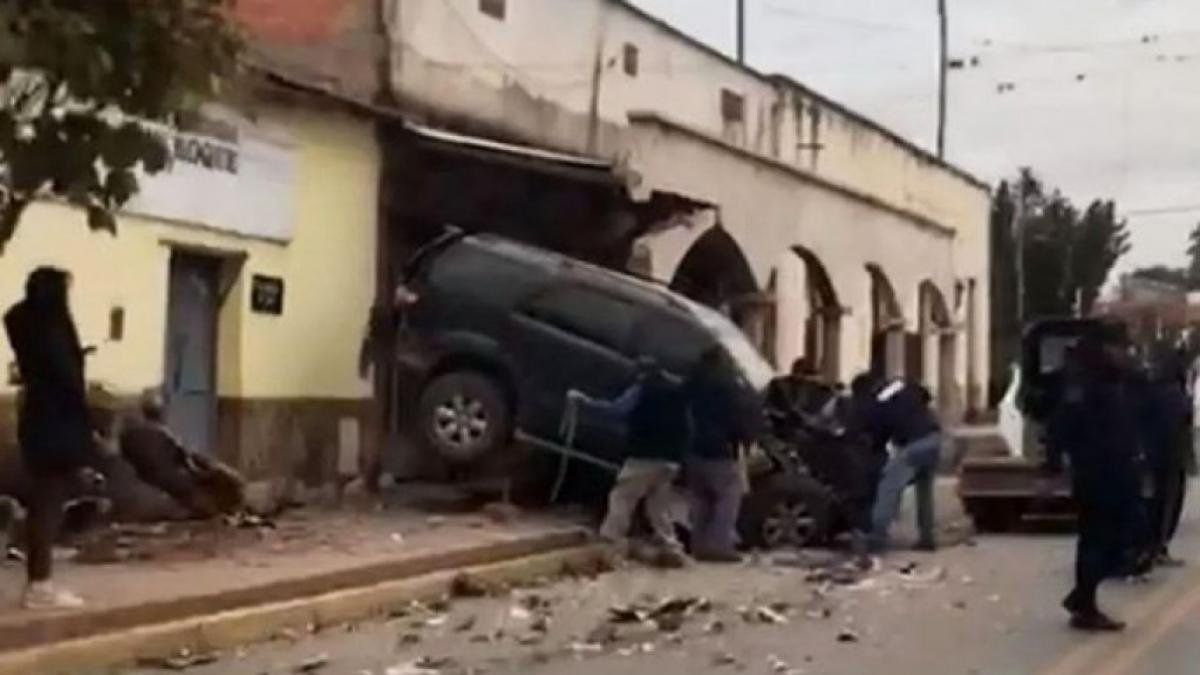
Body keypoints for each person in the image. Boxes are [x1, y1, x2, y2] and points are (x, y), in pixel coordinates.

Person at [4, 267, 94, 609]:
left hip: (35, 416)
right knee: (49, 500)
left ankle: (39, 580)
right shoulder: (53, 327)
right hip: (58, 421)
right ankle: (40, 584)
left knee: (44, 496)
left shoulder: (20, 320)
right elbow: (66, 378)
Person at [1046, 333, 1141, 631]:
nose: (1120, 353)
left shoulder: (1111, 381)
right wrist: (1054, 462)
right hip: (1099, 473)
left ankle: (1083, 597)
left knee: (1108, 538)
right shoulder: (1083, 387)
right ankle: (1084, 601)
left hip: (1114, 471)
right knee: (1102, 539)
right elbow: (1060, 426)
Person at [570, 356, 691, 567]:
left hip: (643, 456)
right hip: (671, 460)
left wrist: (584, 402)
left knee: (622, 496)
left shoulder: (642, 390)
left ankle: (609, 540)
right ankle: (671, 545)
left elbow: (617, 410)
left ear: (641, 374)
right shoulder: (678, 392)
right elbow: (689, 426)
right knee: (658, 506)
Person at [683, 347, 758, 563]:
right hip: (721, 451)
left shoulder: (691, 384)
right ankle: (719, 545)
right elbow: (739, 419)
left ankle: (698, 544)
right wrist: (746, 441)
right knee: (728, 498)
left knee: (700, 499)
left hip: (694, 450)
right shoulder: (728, 387)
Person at [854, 374, 943, 553]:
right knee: (924, 490)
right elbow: (925, 394)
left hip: (913, 445)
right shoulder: (903, 384)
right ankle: (927, 538)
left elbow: (878, 436)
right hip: (934, 438)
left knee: (888, 488)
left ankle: (876, 538)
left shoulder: (876, 404)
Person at [765, 358, 837, 430]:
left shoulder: (814, 387)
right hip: (784, 421)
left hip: (802, 422)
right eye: (797, 371)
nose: (799, 375)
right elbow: (769, 405)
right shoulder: (779, 384)